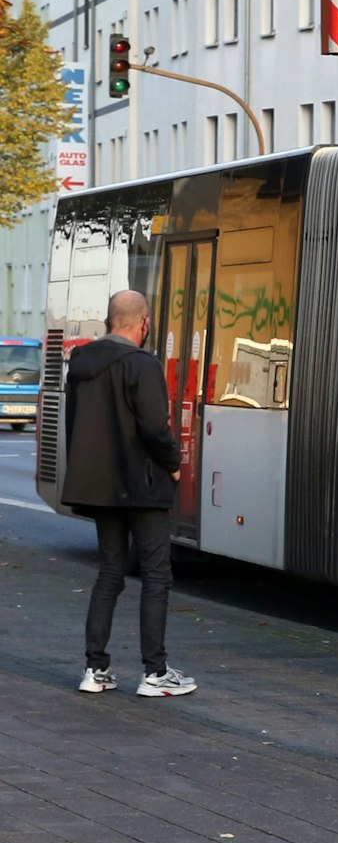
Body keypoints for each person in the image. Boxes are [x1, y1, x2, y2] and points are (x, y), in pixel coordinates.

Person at [62, 290, 195, 698]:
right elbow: (155, 427)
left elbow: (73, 427)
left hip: (102, 488)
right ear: (143, 322)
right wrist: (173, 464)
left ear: (109, 321)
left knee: (109, 572)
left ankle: (95, 669)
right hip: (144, 485)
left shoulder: (80, 366)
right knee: (157, 574)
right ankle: (155, 672)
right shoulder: (143, 365)